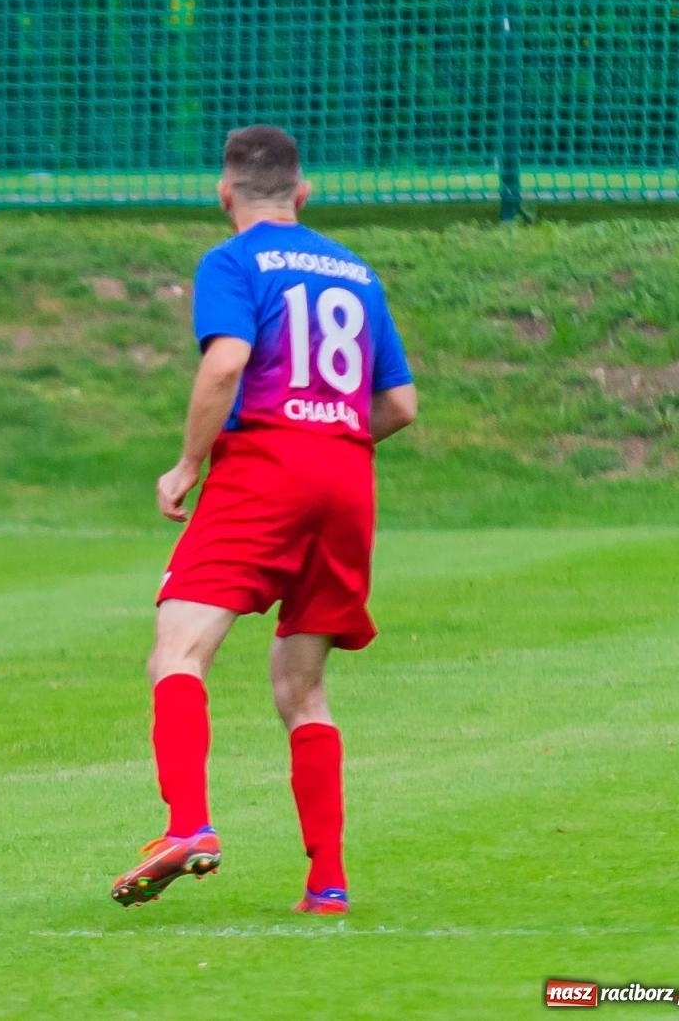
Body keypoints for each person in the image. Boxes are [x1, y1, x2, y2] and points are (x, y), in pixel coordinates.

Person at [111, 125, 417, 914]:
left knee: (178, 651)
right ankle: (328, 883)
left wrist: (187, 465)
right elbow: (401, 406)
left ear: (225, 194)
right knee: (303, 688)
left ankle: (190, 825)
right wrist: (331, 441)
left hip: (265, 470)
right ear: (302, 192)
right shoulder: (357, 271)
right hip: (347, 476)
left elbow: (224, 361)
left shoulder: (231, 261)